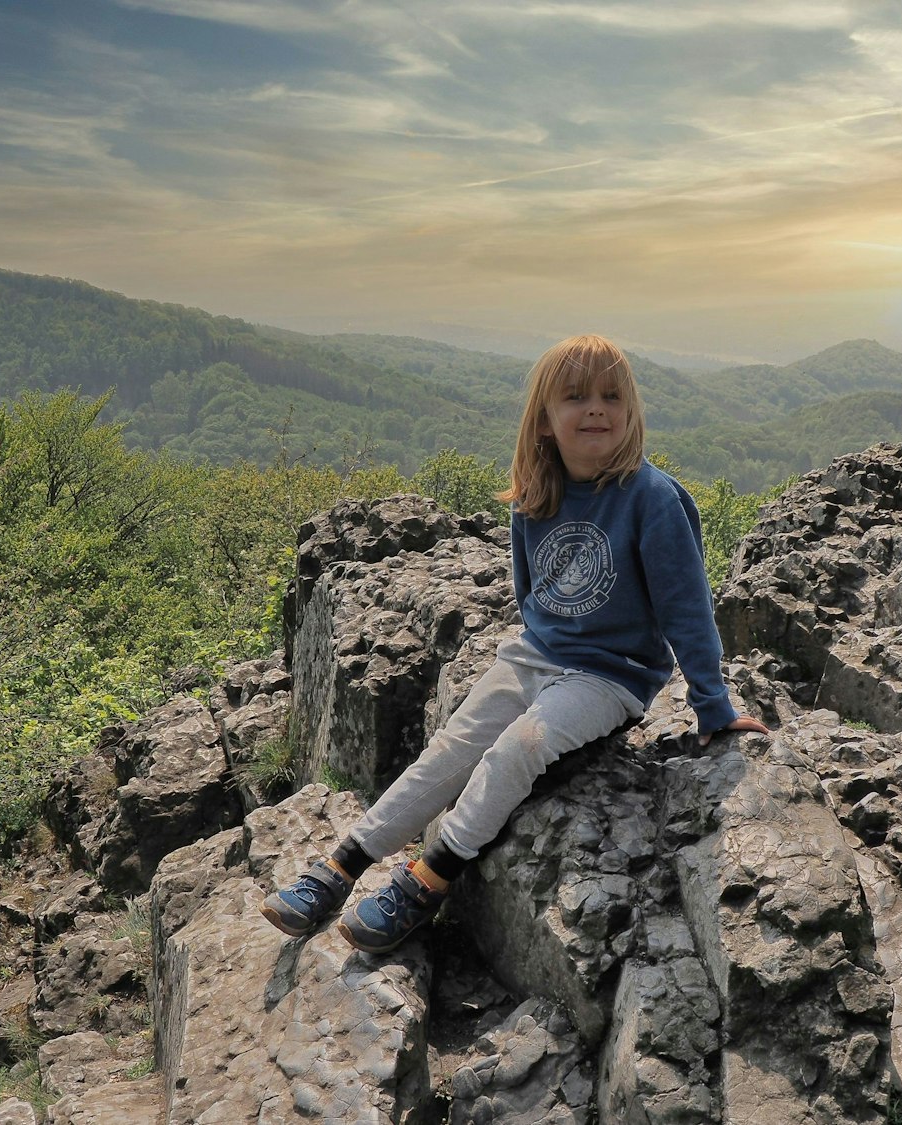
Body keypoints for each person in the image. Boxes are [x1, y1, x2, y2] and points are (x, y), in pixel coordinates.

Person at [260, 334, 770, 954]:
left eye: (612, 396)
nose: (596, 407)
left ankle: (427, 881)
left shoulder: (652, 500)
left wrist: (712, 705)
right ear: (545, 421)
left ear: (631, 412)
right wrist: (538, 651)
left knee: (517, 750)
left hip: (611, 676)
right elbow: (531, 591)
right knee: (450, 750)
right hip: (534, 656)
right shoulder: (536, 496)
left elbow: (686, 609)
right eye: (576, 396)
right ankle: (339, 867)